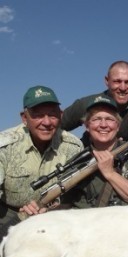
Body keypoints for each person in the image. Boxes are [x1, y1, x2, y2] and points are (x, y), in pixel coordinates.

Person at [22, 95, 128, 214]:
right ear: (87, 126)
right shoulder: (75, 153)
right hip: (81, 229)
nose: (103, 125)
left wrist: (110, 173)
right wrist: (46, 209)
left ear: (118, 126)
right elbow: (65, 201)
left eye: (109, 119)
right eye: (96, 119)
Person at [0, 85, 84, 240]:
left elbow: (76, 195)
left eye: (52, 115)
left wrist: (52, 210)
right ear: (24, 118)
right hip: (8, 213)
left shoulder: (74, 146)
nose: (46, 122)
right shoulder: (5, 145)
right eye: (38, 115)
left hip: (53, 215)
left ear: (61, 115)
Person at [61, 60, 128, 149]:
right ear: (107, 81)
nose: (123, 88)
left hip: (122, 162)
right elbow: (54, 126)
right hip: (84, 158)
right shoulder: (86, 104)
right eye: (117, 81)